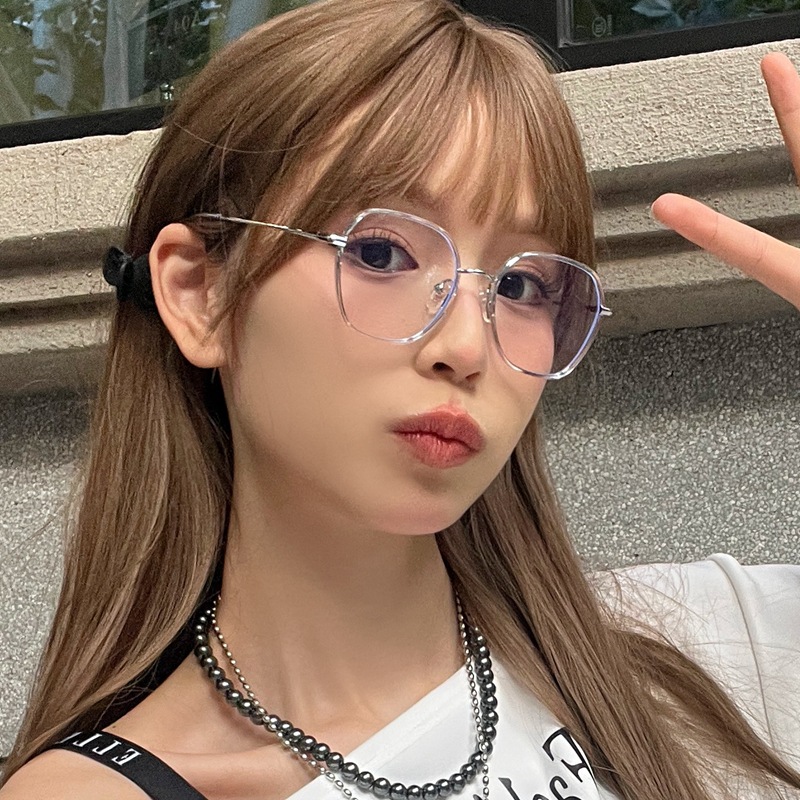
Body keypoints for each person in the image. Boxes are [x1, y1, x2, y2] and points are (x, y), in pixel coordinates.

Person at [1, 1, 799, 798]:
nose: (467, 346)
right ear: (199, 294)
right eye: (382, 253)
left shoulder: (699, 655)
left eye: (521, 285)